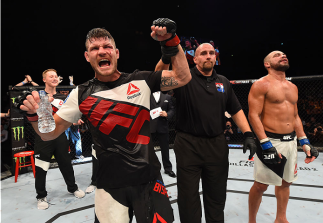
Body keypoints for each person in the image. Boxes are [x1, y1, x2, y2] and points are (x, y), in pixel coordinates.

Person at [18, 18, 191, 222]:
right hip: (109, 186)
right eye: (95, 48)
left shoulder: (141, 80)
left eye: (107, 46)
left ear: (116, 53)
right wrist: (32, 116)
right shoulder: (80, 94)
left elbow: (182, 77)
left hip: (148, 179)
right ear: (87, 56)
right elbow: (50, 133)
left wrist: (171, 41)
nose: (101, 51)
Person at [155, 43, 257, 223]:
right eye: (203, 53)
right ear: (195, 59)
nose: (208, 56)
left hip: (216, 145)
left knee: (216, 197)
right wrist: (165, 58)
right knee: (188, 198)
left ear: (215, 58)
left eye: (211, 53)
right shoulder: (183, 78)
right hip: (188, 145)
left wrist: (248, 133)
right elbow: (158, 79)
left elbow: (235, 110)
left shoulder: (223, 82)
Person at [247, 50, 319, 223]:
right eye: (277, 55)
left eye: (284, 54)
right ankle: (251, 221)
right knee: (261, 185)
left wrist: (304, 142)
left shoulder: (292, 87)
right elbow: (253, 115)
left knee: (286, 182)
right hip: (270, 141)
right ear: (267, 64)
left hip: (290, 141)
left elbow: (295, 117)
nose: (283, 56)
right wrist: (264, 143)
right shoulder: (261, 85)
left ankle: (281, 218)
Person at [33, 69, 85, 210]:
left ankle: (72, 188)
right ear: (44, 79)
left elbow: (66, 116)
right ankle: (41, 196)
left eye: (56, 76)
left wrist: (75, 120)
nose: (54, 78)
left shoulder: (62, 98)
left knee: (66, 164)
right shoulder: (37, 96)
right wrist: (44, 102)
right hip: (42, 136)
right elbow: (32, 113)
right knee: (41, 167)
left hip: (60, 135)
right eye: (51, 76)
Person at [150, 91, 176, 178]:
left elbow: (172, 109)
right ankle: (150, 168)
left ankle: (168, 168)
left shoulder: (167, 97)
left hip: (163, 126)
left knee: (165, 149)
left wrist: (167, 114)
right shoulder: (147, 96)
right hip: (150, 127)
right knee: (149, 149)